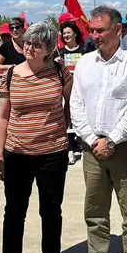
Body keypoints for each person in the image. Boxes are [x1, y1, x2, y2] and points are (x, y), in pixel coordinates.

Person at [70, 5, 127, 253]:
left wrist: (113, 139)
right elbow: (76, 105)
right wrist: (94, 140)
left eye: (100, 30)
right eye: (92, 31)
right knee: (94, 211)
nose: (94, 36)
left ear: (118, 29)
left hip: (125, 148)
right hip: (92, 148)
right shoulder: (85, 63)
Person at [0, 22, 73, 253]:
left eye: (36, 45)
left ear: (49, 50)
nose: (29, 48)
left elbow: (70, 101)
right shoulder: (10, 75)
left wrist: (63, 127)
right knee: (14, 212)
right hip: (17, 154)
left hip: (53, 153)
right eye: (28, 42)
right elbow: (2, 117)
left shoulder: (60, 72)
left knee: (51, 211)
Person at [58, 21, 86, 165]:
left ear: (75, 33)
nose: (66, 35)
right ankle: (69, 149)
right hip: (66, 93)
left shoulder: (85, 51)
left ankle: (82, 146)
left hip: (82, 92)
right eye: (64, 33)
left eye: (68, 32)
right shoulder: (59, 53)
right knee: (67, 119)